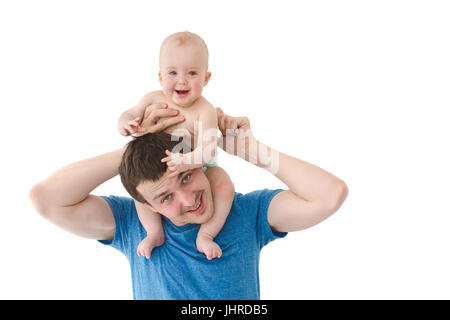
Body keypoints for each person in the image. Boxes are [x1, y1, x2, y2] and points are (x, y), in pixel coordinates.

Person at [29, 105, 348, 300]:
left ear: (197, 162)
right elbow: (45, 199)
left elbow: (330, 194)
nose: (189, 198)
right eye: (165, 196)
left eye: (186, 176)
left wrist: (254, 151)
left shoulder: (247, 213)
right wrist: (137, 148)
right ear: (149, 205)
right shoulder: (133, 225)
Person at [117, 31, 234, 260]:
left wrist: (185, 162)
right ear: (160, 77)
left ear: (206, 78)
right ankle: (154, 232)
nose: (182, 80)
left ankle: (206, 235)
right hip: (160, 169)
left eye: (192, 73)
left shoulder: (204, 110)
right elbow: (129, 113)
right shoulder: (152, 98)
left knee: (223, 183)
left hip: (199, 168)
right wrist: (126, 124)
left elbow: (208, 148)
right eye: (173, 72)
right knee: (141, 193)